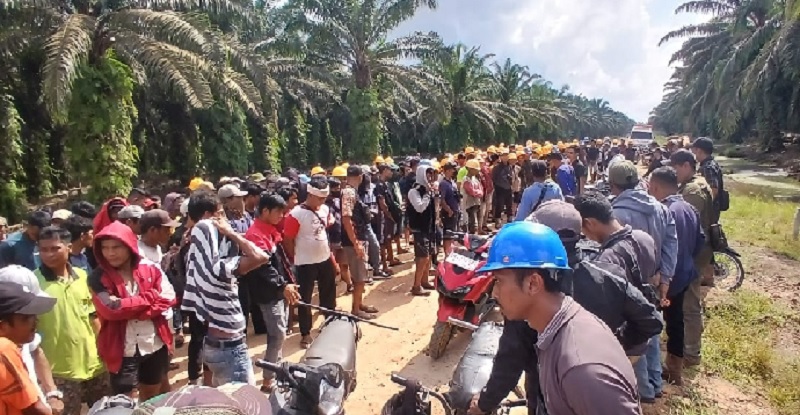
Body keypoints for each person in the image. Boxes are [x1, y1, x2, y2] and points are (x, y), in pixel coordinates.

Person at [476, 222, 640, 415]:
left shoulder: (582, 370)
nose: (494, 293)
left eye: (499, 281)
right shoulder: (552, 332)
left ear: (533, 283)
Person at [606, 160, 678, 403]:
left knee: (633, 336)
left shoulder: (615, 213)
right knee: (652, 328)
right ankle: (655, 384)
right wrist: (665, 278)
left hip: (628, 283)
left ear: (613, 184)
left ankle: (643, 390)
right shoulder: (660, 208)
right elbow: (671, 244)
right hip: (654, 279)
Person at [181, 190, 269, 386]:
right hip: (230, 348)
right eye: (220, 214)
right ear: (209, 217)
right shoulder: (220, 268)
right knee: (242, 399)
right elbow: (261, 256)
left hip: (213, 343)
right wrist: (231, 233)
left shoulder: (195, 257)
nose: (225, 219)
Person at [88, 221, 175, 401]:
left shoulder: (150, 268)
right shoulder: (97, 277)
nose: (110, 253)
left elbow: (169, 297)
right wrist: (150, 297)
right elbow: (110, 310)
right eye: (105, 248)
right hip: (122, 350)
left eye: (116, 247)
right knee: (125, 400)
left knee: (151, 393)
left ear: (129, 245)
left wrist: (128, 306)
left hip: (153, 342)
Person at [33, 227, 111, 414]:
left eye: (55, 248)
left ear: (68, 247)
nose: (49, 254)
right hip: (59, 371)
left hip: (96, 365)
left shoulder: (82, 276)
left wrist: (105, 351)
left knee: (106, 410)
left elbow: (93, 317)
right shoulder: (33, 282)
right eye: (44, 250)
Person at [648, 166, 705, 385]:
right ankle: (675, 370)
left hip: (666, 278)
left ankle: (654, 370)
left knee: (654, 321)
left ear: (655, 186)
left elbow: (658, 247)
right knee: (676, 321)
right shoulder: (689, 208)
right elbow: (700, 241)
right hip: (684, 276)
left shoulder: (663, 211)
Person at [244, 193, 300, 392]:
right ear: (265, 211)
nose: (281, 216)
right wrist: (282, 285)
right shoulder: (255, 235)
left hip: (278, 289)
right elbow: (264, 268)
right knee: (277, 334)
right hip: (268, 292)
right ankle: (268, 379)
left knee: (280, 332)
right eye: (278, 212)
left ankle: (278, 371)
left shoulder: (270, 230)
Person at [284, 176, 344, 347]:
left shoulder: (325, 209)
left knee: (328, 293)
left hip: (324, 258)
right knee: (305, 299)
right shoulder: (295, 214)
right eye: (319, 198)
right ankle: (305, 333)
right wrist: (296, 256)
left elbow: (326, 229)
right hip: (304, 263)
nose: (322, 201)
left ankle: (330, 323)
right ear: (310, 195)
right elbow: (288, 239)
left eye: (324, 198)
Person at [669, 149, 714, 367]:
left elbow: (685, 224)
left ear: (686, 165)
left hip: (694, 253)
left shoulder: (693, 191)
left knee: (690, 304)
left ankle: (691, 352)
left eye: (676, 168)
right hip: (696, 250)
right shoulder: (696, 184)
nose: (674, 173)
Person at [0, 280, 57, 415]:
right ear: (2, 326)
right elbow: (34, 409)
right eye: (26, 318)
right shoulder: (4, 349)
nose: (35, 321)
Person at [407, 165, 437, 296]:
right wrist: (427, 194)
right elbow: (419, 208)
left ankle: (424, 281)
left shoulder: (427, 190)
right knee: (422, 257)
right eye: (428, 174)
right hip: (419, 228)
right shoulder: (414, 191)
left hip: (429, 227)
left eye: (431, 174)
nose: (430, 177)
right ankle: (416, 286)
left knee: (429, 255)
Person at [691, 137, 727, 222]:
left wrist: (704, 207)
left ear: (699, 150)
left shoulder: (707, 167)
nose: (694, 154)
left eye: (694, 151)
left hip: (709, 210)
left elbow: (714, 190)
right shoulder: (712, 163)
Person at [439, 161, 460, 254]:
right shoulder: (443, 183)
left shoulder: (452, 182)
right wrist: (448, 210)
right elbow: (442, 199)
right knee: (448, 235)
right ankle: (447, 255)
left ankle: (451, 253)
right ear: (447, 170)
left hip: (455, 211)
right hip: (448, 213)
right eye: (452, 169)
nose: (454, 171)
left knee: (453, 234)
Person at [461, 159, 484, 234]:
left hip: (476, 204)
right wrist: (477, 192)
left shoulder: (475, 179)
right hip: (469, 205)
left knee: (475, 223)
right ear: (470, 169)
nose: (477, 171)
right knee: (471, 224)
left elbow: (481, 190)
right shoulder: (465, 179)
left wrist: (477, 192)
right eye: (476, 169)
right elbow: (471, 191)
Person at [491, 149, 513, 225]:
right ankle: (497, 220)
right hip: (499, 188)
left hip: (508, 187)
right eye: (503, 155)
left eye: (506, 155)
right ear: (500, 157)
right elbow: (493, 178)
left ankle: (510, 219)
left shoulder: (510, 166)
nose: (505, 157)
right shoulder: (497, 167)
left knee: (509, 205)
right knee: (499, 205)